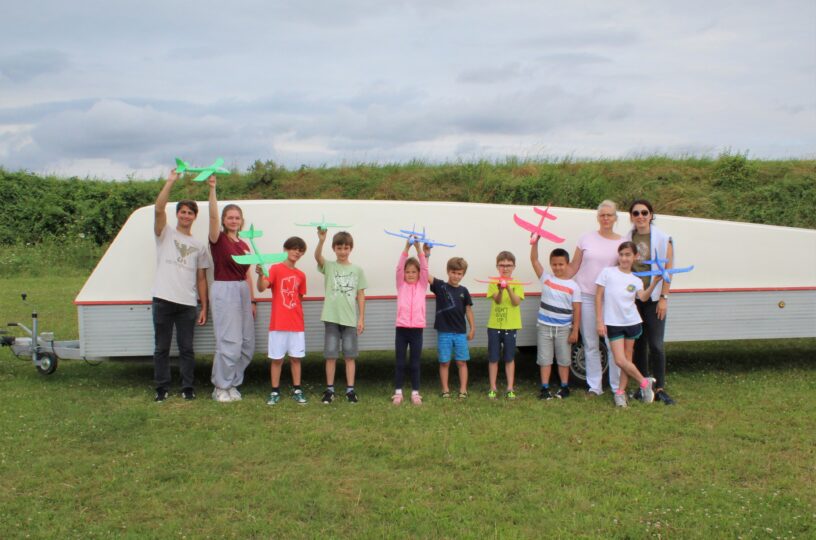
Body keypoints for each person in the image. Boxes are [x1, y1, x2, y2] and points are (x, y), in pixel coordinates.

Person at [152, 168, 210, 402]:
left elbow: (201, 278)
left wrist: (203, 306)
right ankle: (162, 388)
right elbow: (158, 209)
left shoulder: (198, 245)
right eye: (183, 212)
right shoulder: (164, 233)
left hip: (187, 304)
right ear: (177, 214)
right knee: (161, 349)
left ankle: (188, 387)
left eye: (190, 213)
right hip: (163, 300)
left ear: (195, 217)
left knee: (186, 349)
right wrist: (170, 181)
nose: (186, 216)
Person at [595, 241, 663, 407]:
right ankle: (645, 382)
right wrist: (599, 321)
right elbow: (598, 297)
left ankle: (620, 393)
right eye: (622, 254)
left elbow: (644, 297)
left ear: (635, 257)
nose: (624, 258)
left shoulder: (636, 280)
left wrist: (653, 283)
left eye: (628, 255)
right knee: (619, 360)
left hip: (632, 322)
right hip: (613, 323)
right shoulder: (607, 272)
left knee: (627, 359)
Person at [567, 200, 624, 396]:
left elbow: (627, 269)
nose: (606, 218)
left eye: (609, 215)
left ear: (615, 218)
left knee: (612, 344)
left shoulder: (622, 242)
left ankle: (617, 387)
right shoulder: (585, 239)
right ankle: (595, 387)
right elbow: (573, 266)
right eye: (602, 215)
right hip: (587, 296)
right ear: (597, 218)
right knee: (591, 344)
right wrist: (551, 277)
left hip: (611, 299)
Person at [207, 177, 255, 402]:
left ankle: (233, 383)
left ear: (241, 220)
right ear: (224, 220)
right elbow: (213, 216)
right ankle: (220, 387)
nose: (233, 220)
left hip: (242, 290)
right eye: (230, 217)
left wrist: (252, 300)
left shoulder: (244, 244)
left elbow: (247, 273)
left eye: (237, 217)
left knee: (246, 343)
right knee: (229, 341)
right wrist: (213, 189)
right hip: (224, 289)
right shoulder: (218, 239)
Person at [627, 199, 676, 405]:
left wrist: (664, 298)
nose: (640, 217)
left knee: (656, 344)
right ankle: (643, 386)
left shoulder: (664, 239)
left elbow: (668, 270)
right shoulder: (628, 237)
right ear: (631, 217)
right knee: (639, 344)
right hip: (635, 298)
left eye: (644, 213)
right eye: (636, 213)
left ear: (651, 215)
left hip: (654, 298)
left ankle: (661, 387)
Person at [315, 229, 367, 404]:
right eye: (339, 248)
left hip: (350, 320)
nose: (343, 251)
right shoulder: (329, 266)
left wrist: (361, 318)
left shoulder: (357, 270)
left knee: (350, 356)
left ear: (351, 249)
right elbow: (318, 257)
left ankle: (350, 390)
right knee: (331, 356)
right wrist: (321, 240)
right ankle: (329, 390)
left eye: (346, 248)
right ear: (334, 249)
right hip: (331, 318)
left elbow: (360, 294)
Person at [256, 237, 308, 405]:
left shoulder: (301, 275)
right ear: (286, 249)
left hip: (296, 324)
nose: (297, 252)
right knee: (277, 359)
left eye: (300, 250)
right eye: (294, 248)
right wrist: (259, 275)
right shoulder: (276, 269)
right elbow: (262, 287)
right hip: (278, 323)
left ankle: (297, 389)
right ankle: (274, 391)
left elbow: (298, 298)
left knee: (295, 359)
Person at [530, 243, 581, 399]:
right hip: (545, 327)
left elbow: (577, 309)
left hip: (564, 328)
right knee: (544, 359)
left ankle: (564, 386)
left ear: (567, 264)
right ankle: (545, 388)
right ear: (550, 265)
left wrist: (575, 329)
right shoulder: (546, 279)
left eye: (561, 264)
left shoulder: (574, 286)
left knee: (564, 359)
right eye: (554, 264)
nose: (557, 267)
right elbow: (534, 260)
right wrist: (535, 243)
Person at [424, 246, 475, 399]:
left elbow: (468, 310)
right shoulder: (440, 286)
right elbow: (425, 273)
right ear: (448, 271)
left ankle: (463, 390)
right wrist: (427, 254)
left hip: (460, 333)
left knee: (461, 362)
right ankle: (445, 390)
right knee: (444, 363)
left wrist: (472, 328)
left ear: (463, 274)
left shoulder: (464, 291)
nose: (456, 276)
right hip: (444, 332)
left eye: (459, 273)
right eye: (453, 272)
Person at [391, 238, 429, 405]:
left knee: (415, 363)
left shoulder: (422, 286)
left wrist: (419, 248)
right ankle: (398, 392)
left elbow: (426, 268)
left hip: (417, 330)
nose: (410, 274)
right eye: (408, 272)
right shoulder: (401, 285)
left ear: (419, 274)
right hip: (402, 329)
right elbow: (399, 268)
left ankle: (415, 392)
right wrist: (407, 247)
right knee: (400, 361)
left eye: (414, 272)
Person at [486, 251, 525, 399]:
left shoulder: (518, 284)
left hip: (511, 325)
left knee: (509, 358)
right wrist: (501, 289)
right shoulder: (492, 283)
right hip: (494, 326)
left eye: (508, 265)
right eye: (502, 265)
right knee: (493, 358)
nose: (505, 268)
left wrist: (508, 287)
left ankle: (510, 387)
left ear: (514, 266)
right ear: (497, 266)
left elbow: (516, 302)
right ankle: (493, 387)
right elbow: (497, 300)